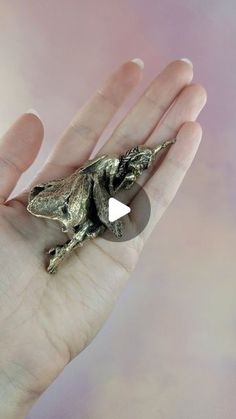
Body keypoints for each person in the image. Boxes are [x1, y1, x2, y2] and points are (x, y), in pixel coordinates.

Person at [0, 57, 207, 418]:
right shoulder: (111, 166)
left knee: (90, 231)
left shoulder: (124, 175)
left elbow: (112, 201)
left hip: (90, 215)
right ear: (131, 160)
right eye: (139, 165)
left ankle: (64, 250)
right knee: (94, 220)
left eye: (143, 168)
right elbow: (98, 189)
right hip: (76, 199)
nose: (140, 171)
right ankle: (67, 246)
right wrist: (116, 214)